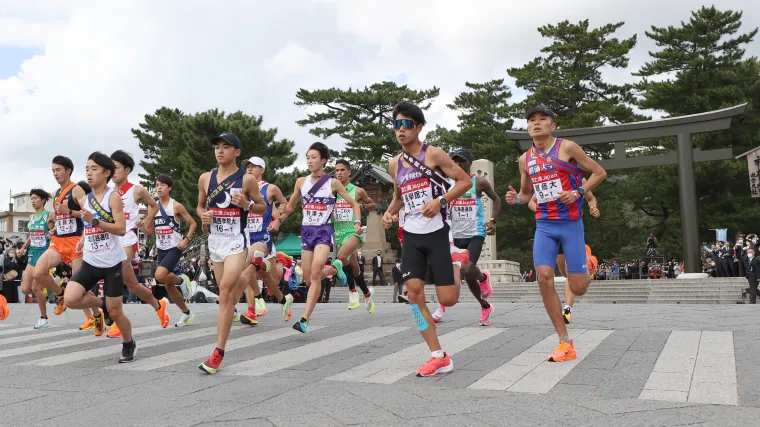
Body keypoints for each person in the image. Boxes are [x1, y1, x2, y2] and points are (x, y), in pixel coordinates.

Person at [505, 105, 607, 362]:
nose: (536, 124)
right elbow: (527, 193)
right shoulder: (524, 159)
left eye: (543, 119)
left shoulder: (567, 148)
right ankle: (564, 341)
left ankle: (588, 266)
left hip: (571, 224)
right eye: (532, 120)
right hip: (545, 226)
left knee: (579, 287)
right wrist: (517, 198)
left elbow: (599, 173)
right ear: (527, 127)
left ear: (553, 125)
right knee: (543, 277)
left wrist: (578, 193)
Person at [381, 101, 472, 377]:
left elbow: (464, 181)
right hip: (411, 235)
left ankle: (457, 263)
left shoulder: (433, 154)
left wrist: (440, 200)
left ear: (419, 127)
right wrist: (389, 213)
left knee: (448, 298)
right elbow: (399, 196)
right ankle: (438, 354)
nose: (401, 130)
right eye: (396, 124)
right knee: (413, 294)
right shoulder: (394, 163)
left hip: (436, 233)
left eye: (407, 124)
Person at [197, 132, 266, 374]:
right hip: (215, 241)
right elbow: (200, 205)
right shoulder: (206, 178)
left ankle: (218, 351)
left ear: (237, 152)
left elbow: (262, 206)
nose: (220, 151)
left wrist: (246, 205)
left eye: (226, 147)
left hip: (237, 240)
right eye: (217, 146)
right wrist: (203, 215)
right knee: (226, 296)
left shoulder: (246, 179)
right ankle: (251, 275)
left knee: (225, 290)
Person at [279, 142, 363, 334]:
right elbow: (291, 207)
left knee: (316, 269)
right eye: (308, 157)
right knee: (309, 279)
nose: (310, 161)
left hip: (323, 231)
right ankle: (336, 269)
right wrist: (279, 217)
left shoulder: (333, 183)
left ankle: (305, 319)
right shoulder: (301, 182)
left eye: (314, 157)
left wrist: (357, 222)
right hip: (307, 231)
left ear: (323, 160)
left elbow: (354, 205)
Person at [63, 152, 136, 362]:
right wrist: (84, 237)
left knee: (116, 312)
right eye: (87, 168)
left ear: (106, 173)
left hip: (112, 263)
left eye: (94, 169)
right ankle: (101, 302)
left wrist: (94, 222)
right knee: (70, 298)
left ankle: (128, 342)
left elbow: (121, 229)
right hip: (91, 261)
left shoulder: (113, 197)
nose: (89, 173)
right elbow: (87, 223)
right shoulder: (85, 199)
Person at [430, 148, 500, 326]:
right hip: (454, 234)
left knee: (468, 270)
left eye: (461, 161)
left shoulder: (478, 183)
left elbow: (496, 199)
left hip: (475, 233)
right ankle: (484, 306)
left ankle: (483, 278)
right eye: (455, 161)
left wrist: (492, 221)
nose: (458, 164)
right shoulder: (446, 185)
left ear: (470, 163)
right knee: (452, 273)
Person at [105, 150, 166, 338]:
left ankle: (115, 318)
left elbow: (154, 205)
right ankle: (159, 305)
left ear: (127, 169)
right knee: (132, 285)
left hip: (128, 240)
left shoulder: (136, 190)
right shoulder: (106, 192)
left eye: (116, 168)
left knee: (113, 274)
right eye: (110, 168)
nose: (112, 172)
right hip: (110, 241)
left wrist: (146, 221)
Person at [528, 175, 600, 324]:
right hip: (551, 230)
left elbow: (591, 198)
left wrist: (593, 207)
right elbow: (531, 202)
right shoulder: (549, 178)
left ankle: (567, 308)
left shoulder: (580, 179)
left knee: (571, 270)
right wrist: (546, 214)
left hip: (571, 229)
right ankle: (587, 269)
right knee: (566, 272)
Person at [236, 156, 294, 326]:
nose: (249, 169)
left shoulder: (270, 189)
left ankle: (256, 304)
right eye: (247, 167)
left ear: (262, 170)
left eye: (254, 166)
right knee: (265, 277)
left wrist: (278, 220)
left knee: (247, 266)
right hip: (246, 237)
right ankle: (284, 300)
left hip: (262, 237)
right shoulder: (242, 189)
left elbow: (288, 207)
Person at [32, 156, 88, 316]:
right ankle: (60, 294)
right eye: (53, 171)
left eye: (58, 170)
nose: (55, 174)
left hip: (75, 241)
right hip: (58, 241)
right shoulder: (57, 193)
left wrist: (68, 211)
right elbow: (62, 218)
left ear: (68, 170)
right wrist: (55, 228)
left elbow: (88, 214)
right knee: (38, 272)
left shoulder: (76, 189)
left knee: (79, 285)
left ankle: (96, 316)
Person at [324, 159, 376, 313]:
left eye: (342, 170)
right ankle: (367, 294)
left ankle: (352, 292)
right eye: (336, 170)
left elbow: (372, 204)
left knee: (340, 256)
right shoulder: (332, 191)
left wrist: (363, 207)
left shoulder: (357, 191)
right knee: (353, 267)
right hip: (338, 233)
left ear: (349, 172)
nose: (338, 173)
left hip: (354, 232)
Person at [152, 174, 198, 327]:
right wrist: (140, 224)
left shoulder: (176, 206)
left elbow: (192, 224)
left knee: (159, 275)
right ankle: (187, 313)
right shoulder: (152, 206)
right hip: (161, 248)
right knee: (167, 284)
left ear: (169, 188)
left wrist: (186, 240)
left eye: (162, 185)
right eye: (157, 185)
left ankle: (182, 280)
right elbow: (148, 228)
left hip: (175, 247)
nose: (159, 188)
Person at [17, 189, 55, 329]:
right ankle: (56, 290)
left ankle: (44, 318)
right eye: (31, 198)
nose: (33, 201)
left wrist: (52, 234)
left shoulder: (48, 215)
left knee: (35, 287)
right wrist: (24, 248)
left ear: (43, 200)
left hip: (44, 254)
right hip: (32, 254)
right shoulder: (32, 217)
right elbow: (32, 235)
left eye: (35, 198)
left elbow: (55, 231)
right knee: (26, 289)